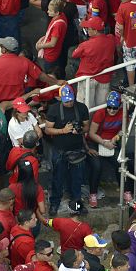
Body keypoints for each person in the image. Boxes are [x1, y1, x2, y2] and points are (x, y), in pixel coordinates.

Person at [44, 84, 89, 215]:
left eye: (71, 100)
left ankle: (77, 204)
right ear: (60, 99)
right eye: (66, 101)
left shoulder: (81, 108)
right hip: (59, 149)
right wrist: (63, 130)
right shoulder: (53, 109)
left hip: (77, 149)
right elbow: (47, 129)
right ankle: (54, 203)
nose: (69, 103)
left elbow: (86, 126)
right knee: (57, 178)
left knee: (77, 179)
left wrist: (79, 129)